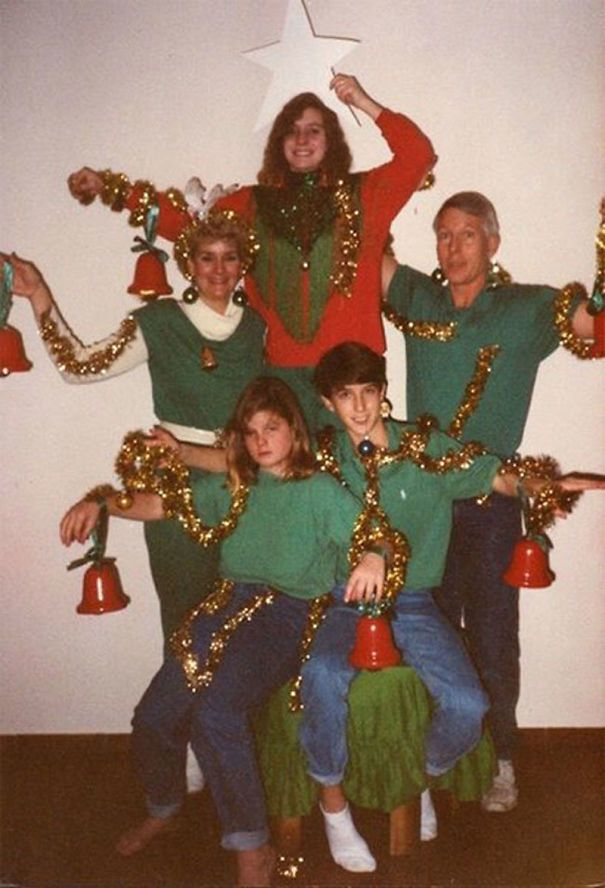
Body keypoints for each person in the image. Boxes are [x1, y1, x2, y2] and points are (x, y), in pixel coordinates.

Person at [59, 376, 390, 888]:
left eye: (272, 428)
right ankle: (165, 807)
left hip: (287, 613)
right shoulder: (235, 485)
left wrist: (372, 553)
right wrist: (102, 503)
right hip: (225, 604)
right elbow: (158, 506)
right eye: (251, 431)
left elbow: (376, 534)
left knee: (216, 709)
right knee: (153, 715)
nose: (261, 440)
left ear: (293, 431)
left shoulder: (321, 490)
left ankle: (252, 845)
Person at [300, 341, 603, 859]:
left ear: (383, 393)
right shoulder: (321, 457)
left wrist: (539, 484)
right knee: (323, 675)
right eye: (345, 395)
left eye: (368, 392)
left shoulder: (424, 448)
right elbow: (250, 459)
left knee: (469, 704)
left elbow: (493, 474)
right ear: (328, 402)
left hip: (413, 602)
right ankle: (334, 807)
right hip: (344, 599)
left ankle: (417, 781)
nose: (358, 407)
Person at [382, 191, 599, 812]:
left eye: (468, 235)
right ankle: (437, 758)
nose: (453, 247)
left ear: (493, 243)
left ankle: (501, 758)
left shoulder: (527, 309)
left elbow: (591, 324)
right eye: (444, 235)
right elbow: (365, 251)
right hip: (420, 503)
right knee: (427, 634)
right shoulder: (419, 298)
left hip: (493, 502)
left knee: (496, 637)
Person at [66, 73, 437, 428]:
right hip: (283, 377)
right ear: (278, 142)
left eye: (314, 130)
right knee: (290, 486)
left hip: (353, 376)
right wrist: (111, 189)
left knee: (359, 486)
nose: (302, 139)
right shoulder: (250, 204)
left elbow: (418, 156)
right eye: (291, 131)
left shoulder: (365, 195)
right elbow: (189, 227)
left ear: (331, 140)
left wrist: (361, 100)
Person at [6, 210, 265, 644]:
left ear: (243, 265)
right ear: (189, 264)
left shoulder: (258, 328)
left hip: (246, 485)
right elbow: (79, 366)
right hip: (176, 488)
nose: (219, 270)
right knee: (187, 628)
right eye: (207, 258)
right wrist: (38, 294)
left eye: (229, 257)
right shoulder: (161, 322)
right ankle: (178, 715)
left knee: (250, 630)